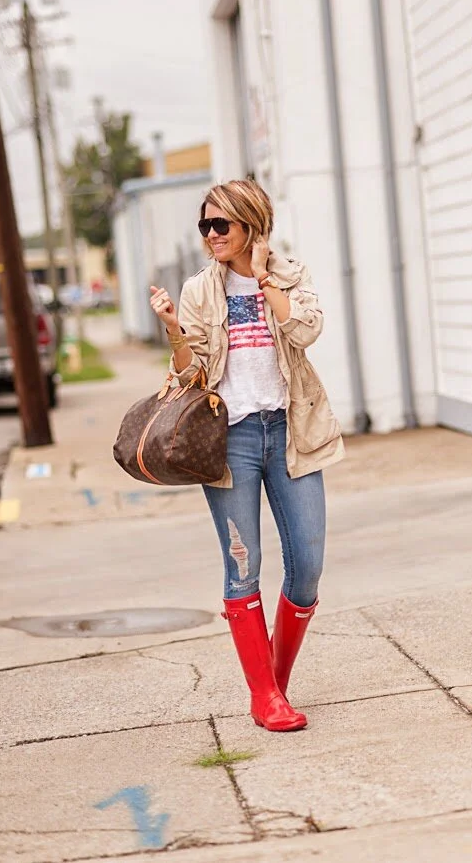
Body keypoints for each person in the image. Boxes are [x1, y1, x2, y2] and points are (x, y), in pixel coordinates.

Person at [149, 179, 344, 732]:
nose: (211, 234)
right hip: (231, 438)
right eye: (205, 225)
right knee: (243, 564)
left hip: (289, 432)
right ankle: (266, 698)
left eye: (221, 225)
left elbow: (306, 331)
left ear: (251, 224)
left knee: (307, 567)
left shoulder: (289, 275)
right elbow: (192, 374)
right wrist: (173, 329)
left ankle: (272, 683)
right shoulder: (198, 290)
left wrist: (262, 278)